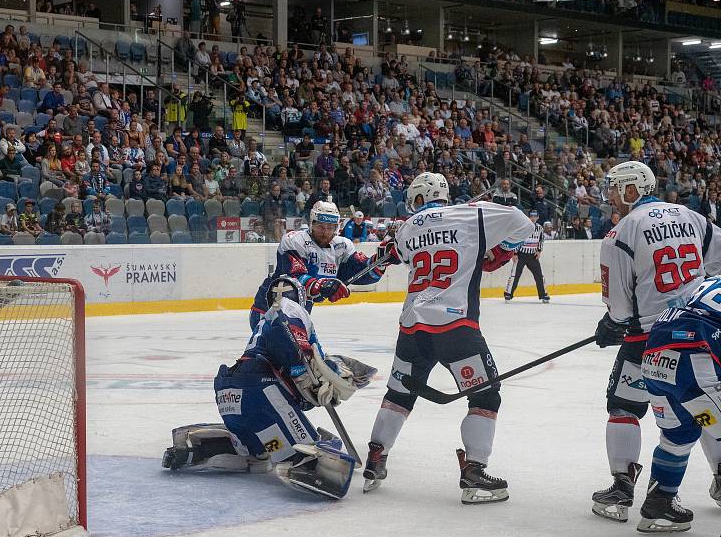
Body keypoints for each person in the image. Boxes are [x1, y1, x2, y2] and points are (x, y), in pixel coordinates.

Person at [363, 172, 533, 500]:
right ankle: (474, 471)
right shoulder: (472, 213)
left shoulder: (407, 227)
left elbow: (389, 256)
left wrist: (390, 243)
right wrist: (499, 251)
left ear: (418, 199)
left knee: (399, 393)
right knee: (486, 396)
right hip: (455, 326)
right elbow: (522, 222)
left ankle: (376, 458)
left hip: (412, 326)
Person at [162, 276, 375, 499]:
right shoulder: (290, 309)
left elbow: (285, 350)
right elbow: (281, 337)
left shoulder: (266, 318)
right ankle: (296, 458)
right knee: (309, 455)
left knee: (256, 458)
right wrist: (302, 375)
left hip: (230, 392)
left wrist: (307, 387)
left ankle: (198, 450)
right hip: (260, 391)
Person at [591, 160, 721, 523]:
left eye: (616, 188)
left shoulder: (620, 234)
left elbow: (617, 307)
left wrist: (611, 324)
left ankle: (621, 488)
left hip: (649, 338)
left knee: (623, 406)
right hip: (700, 331)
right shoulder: (691, 217)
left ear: (632, 189)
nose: (612, 196)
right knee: (705, 404)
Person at [634, 276, 721, 533]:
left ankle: (659, 505)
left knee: (679, 434)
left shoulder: (710, 281)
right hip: (695, 364)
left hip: (655, 363)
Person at [248, 200, 399, 330]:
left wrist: (379, 261)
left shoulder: (342, 246)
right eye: (320, 226)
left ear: (337, 227)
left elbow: (359, 270)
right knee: (275, 356)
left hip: (300, 311)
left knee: (298, 357)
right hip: (269, 307)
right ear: (311, 223)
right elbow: (295, 277)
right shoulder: (295, 240)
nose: (325, 232)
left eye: (330, 227)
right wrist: (322, 285)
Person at [504, 210, 549, 303]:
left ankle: (544, 294)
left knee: (539, 276)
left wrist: (539, 250)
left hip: (533, 256)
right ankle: (508, 294)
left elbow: (541, 240)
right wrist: (515, 253)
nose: (533, 218)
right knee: (515, 275)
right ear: (528, 217)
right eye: (531, 216)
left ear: (538, 217)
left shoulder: (540, 228)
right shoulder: (523, 227)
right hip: (521, 255)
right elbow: (516, 239)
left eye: (535, 216)